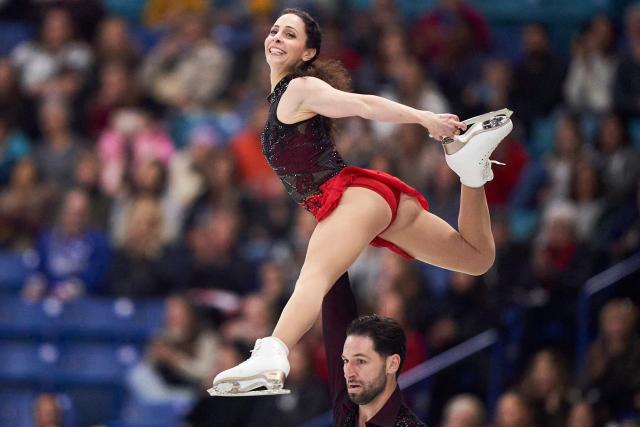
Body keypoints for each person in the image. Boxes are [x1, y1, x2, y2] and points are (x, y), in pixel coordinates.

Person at [211, 8, 513, 394]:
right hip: (368, 202)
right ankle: (471, 172)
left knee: (314, 275)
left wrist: (425, 119)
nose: (276, 38)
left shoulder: (299, 88)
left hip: (350, 198)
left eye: (289, 35)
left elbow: (364, 106)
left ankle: (271, 354)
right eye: (274, 31)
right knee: (476, 258)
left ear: (307, 53)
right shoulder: (284, 96)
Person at [322, 273, 425, 426]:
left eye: (361, 361)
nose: (348, 372)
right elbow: (336, 310)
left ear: (392, 364)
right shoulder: (348, 408)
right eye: (345, 361)